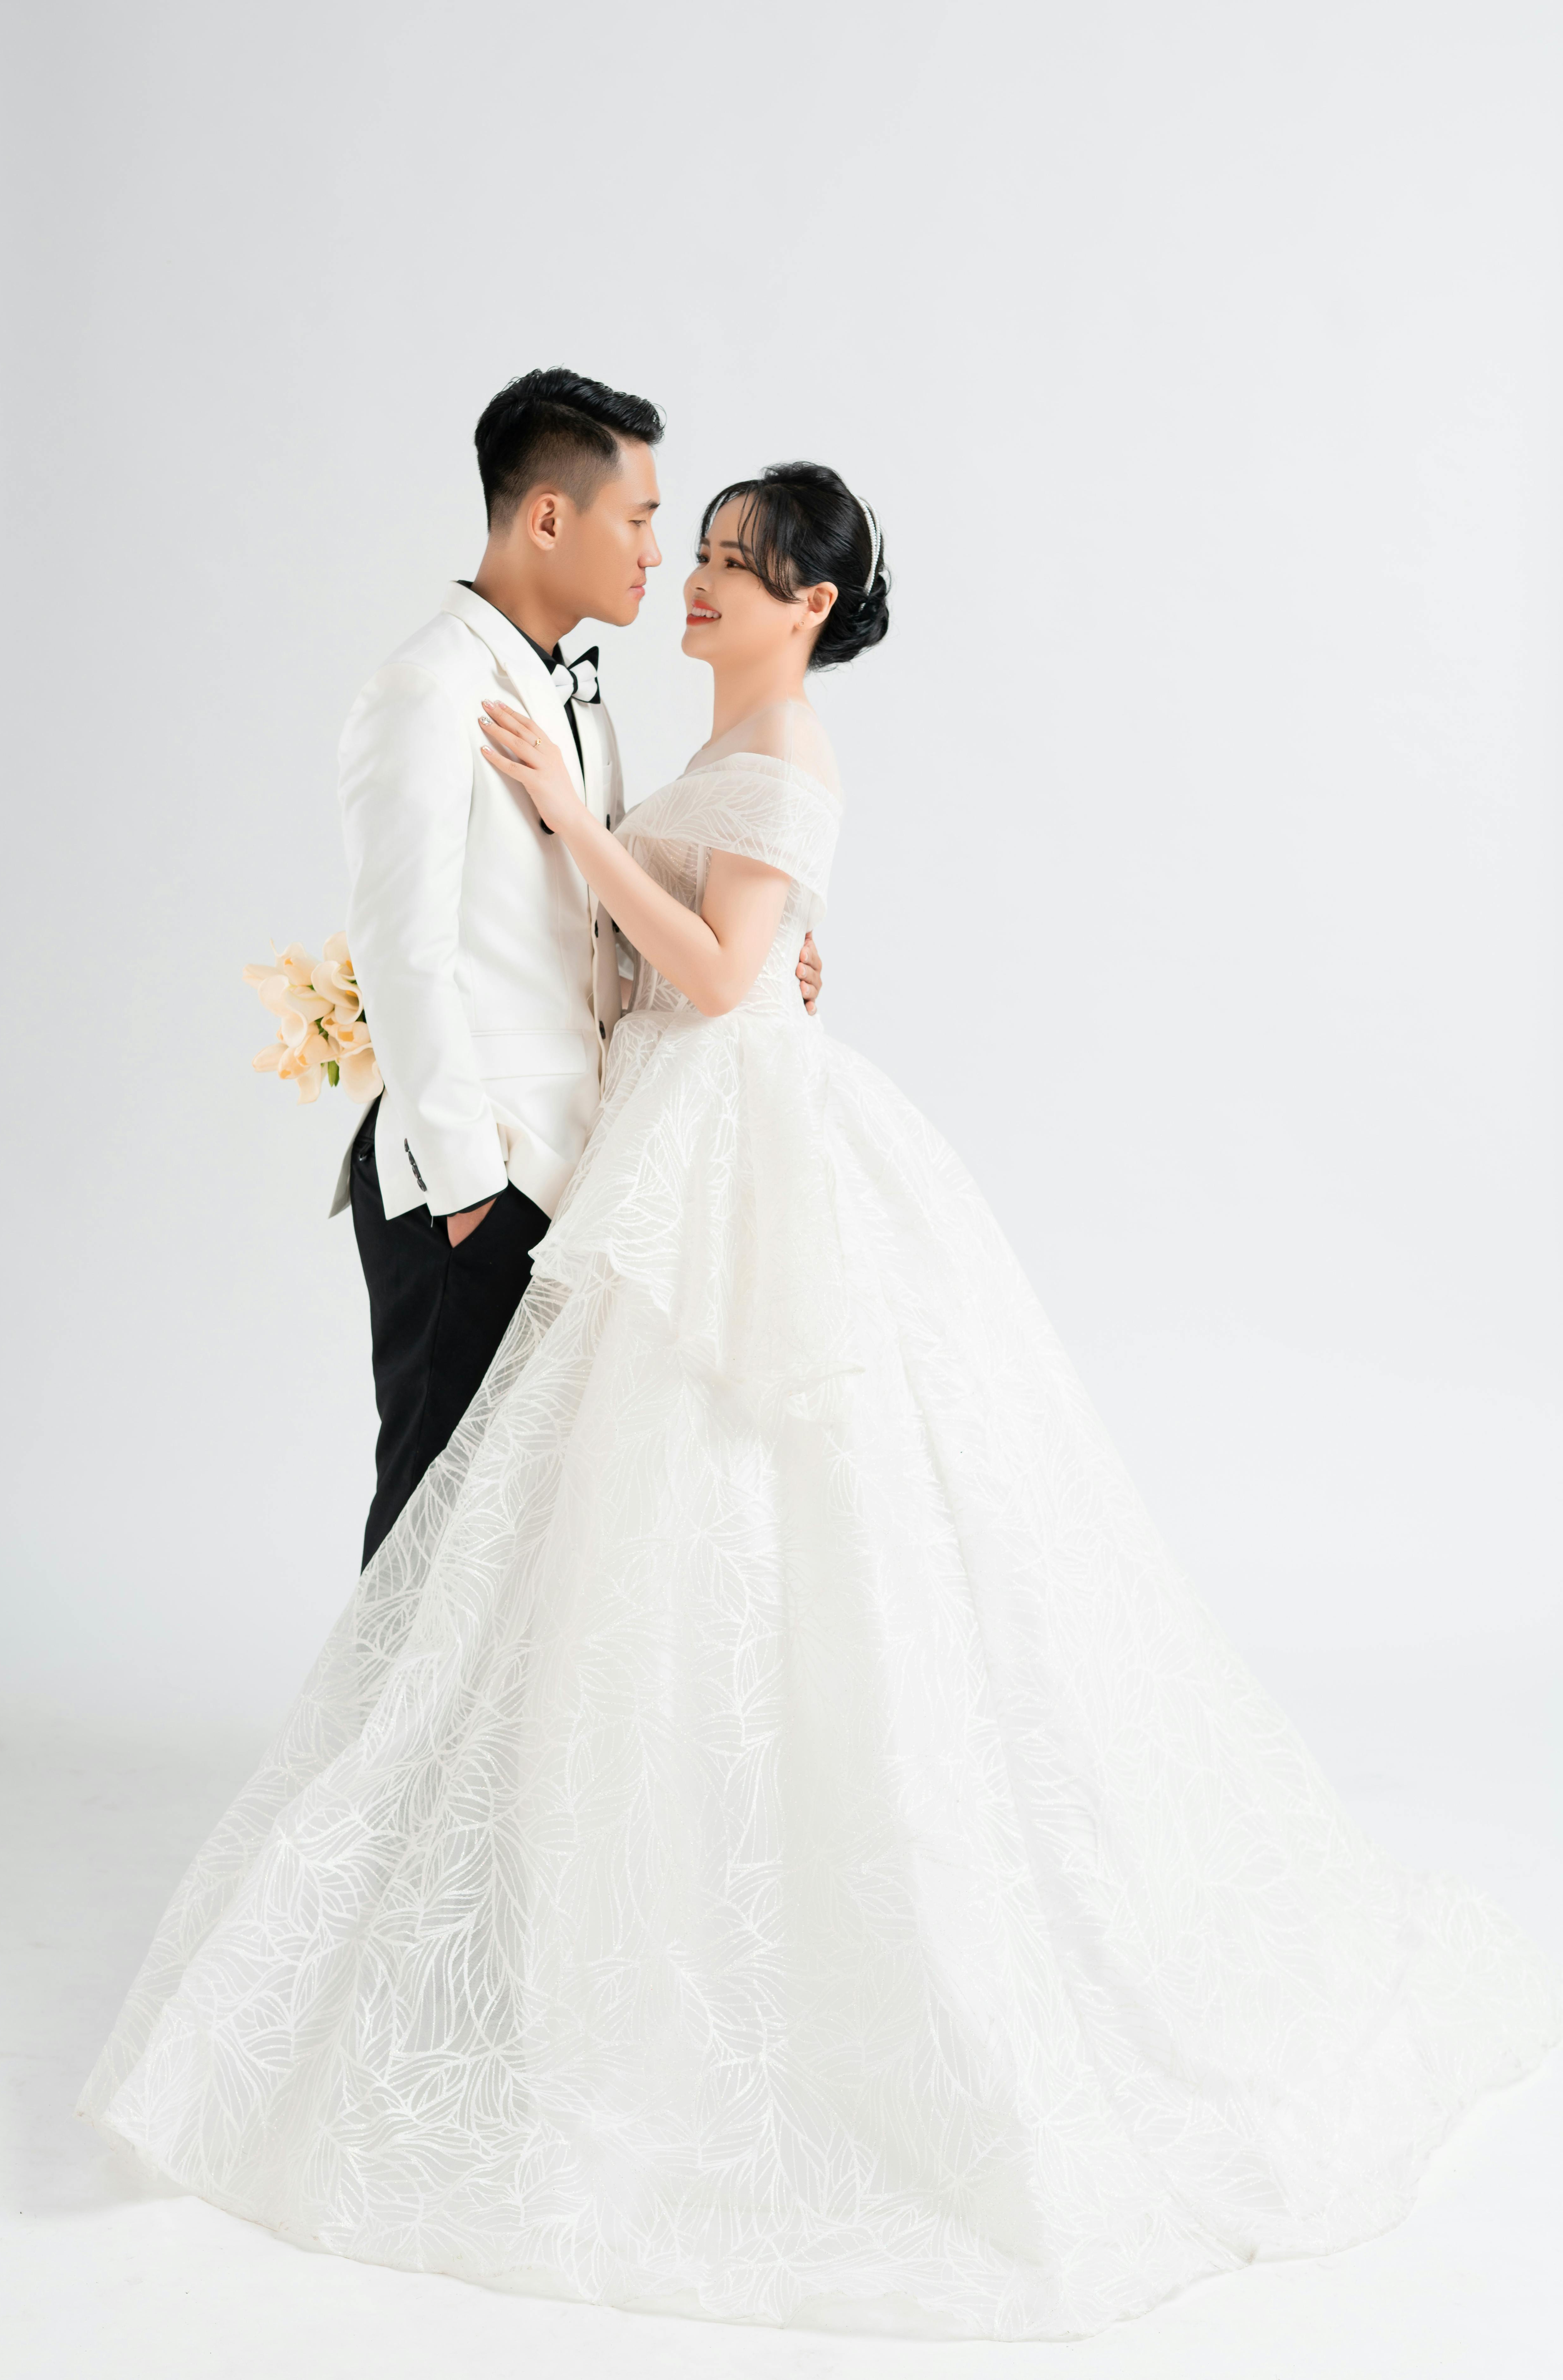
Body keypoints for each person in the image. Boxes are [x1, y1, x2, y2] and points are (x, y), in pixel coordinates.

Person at [80, 463, 1559, 2342]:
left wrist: (575, 833)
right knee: (625, 1519)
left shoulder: (783, 749)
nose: (692, 585)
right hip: (675, 1133)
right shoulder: (727, 750)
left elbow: (715, 971)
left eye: (730, 568)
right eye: (689, 555)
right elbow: (702, 951)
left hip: (740, 1148)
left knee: (762, 1497)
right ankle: (593, 1900)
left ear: (808, 602)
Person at [333, 369, 822, 1565]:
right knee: (433, 1522)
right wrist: (463, 1188)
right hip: (479, 1171)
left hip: (574, 1167)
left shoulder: (578, 699)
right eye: (645, 520)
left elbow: (593, 915)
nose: (663, 557)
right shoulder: (431, 685)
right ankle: (388, 1758)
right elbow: (403, 951)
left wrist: (762, 962)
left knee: (516, 1538)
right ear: (550, 517)